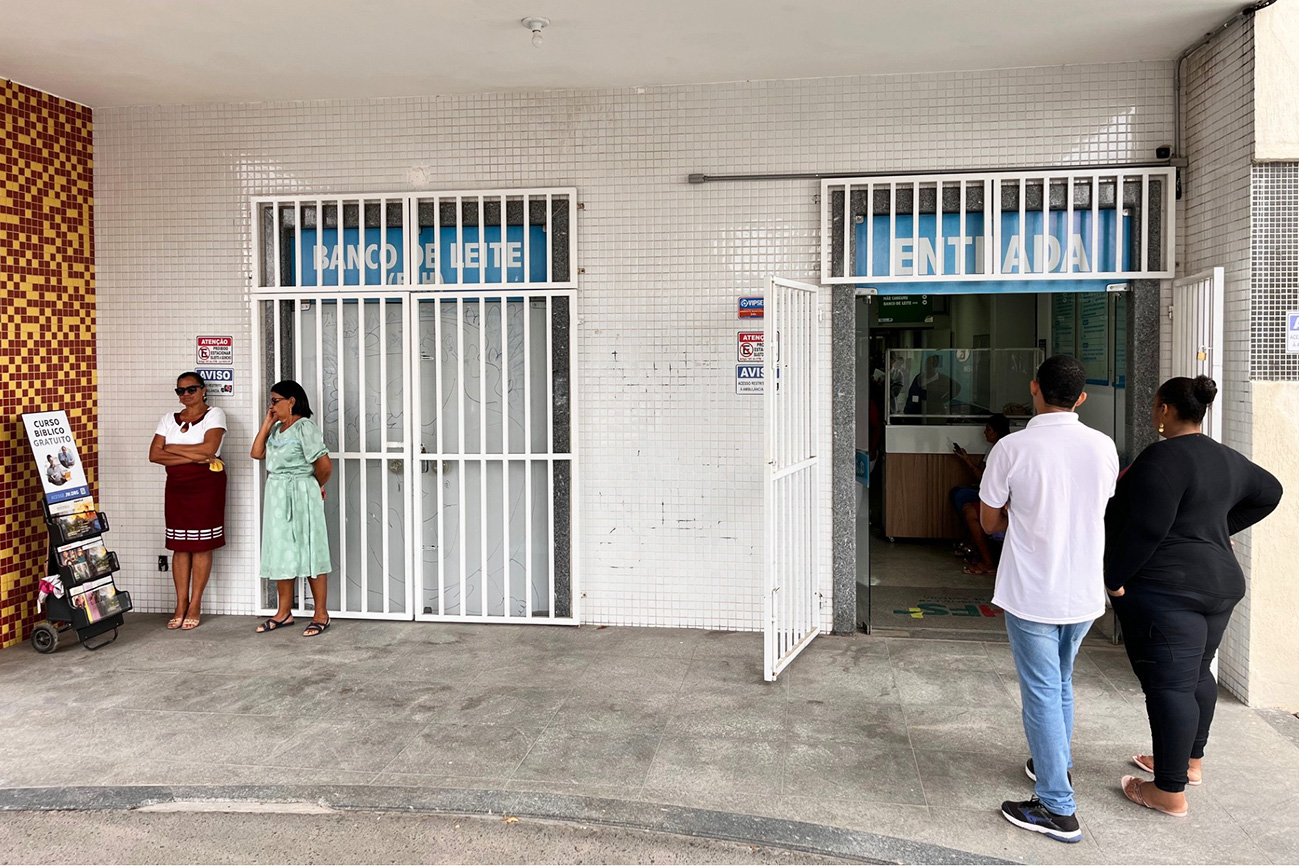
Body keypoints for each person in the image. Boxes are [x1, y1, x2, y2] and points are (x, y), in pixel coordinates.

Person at [1105, 376, 1282, 818]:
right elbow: (1271, 491)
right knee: (1197, 673)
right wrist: (1218, 530)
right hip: (1219, 584)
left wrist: (1114, 577)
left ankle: (1168, 790)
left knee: (1170, 686)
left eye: (1154, 404)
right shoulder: (1226, 459)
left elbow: (1147, 528)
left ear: (1165, 409)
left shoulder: (1162, 458)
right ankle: (1188, 764)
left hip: (1168, 589)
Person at [979, 355, 1119, 843]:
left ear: (1035, 388)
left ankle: (1059, 808)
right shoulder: (1103, 447)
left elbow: (990, 522)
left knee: (1041, 689)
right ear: (1081, 397)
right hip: (1082, 590)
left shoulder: (1012, 448)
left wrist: (1019, 513)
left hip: (1033, 591)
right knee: (1060, 681)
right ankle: (1051, 763)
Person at [251, 379, 333, 637]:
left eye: (275, 401)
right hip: (277, 494)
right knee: (281, 549)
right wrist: (267, 423)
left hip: (301, 493)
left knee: (310, 549)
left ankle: (321, 614)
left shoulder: (305, 427)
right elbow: (256, 453)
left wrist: (313, 485)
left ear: (292, 401)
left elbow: (324, 465)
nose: (271, 406)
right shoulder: (275, 430)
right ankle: (283, 612)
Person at [149, 372, 227, 630]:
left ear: (203, 390)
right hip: (176, 488)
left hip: (207, 487)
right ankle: (180, 604)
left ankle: (195, 604)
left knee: (202, 544)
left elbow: (209, 451)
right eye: (180, 391)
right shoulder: (167, 419)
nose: (185, 395)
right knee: (179, 545)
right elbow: (154, 455)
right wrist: (193, 455)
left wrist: (171, 449)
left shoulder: (215, 414)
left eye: (191, 389)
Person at [949, 413, 1011, 575]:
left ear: (997, 432)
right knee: (958, 492)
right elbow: (982, 476)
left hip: (1002, 499)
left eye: (988, 430)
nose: (985, 433)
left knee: (968, 508)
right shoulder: (991, 449)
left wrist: (967, 462)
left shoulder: (1004, 449)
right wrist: (967, 460)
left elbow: (986, 480)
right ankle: (973, 541)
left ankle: (986, 559)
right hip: (989, 492)